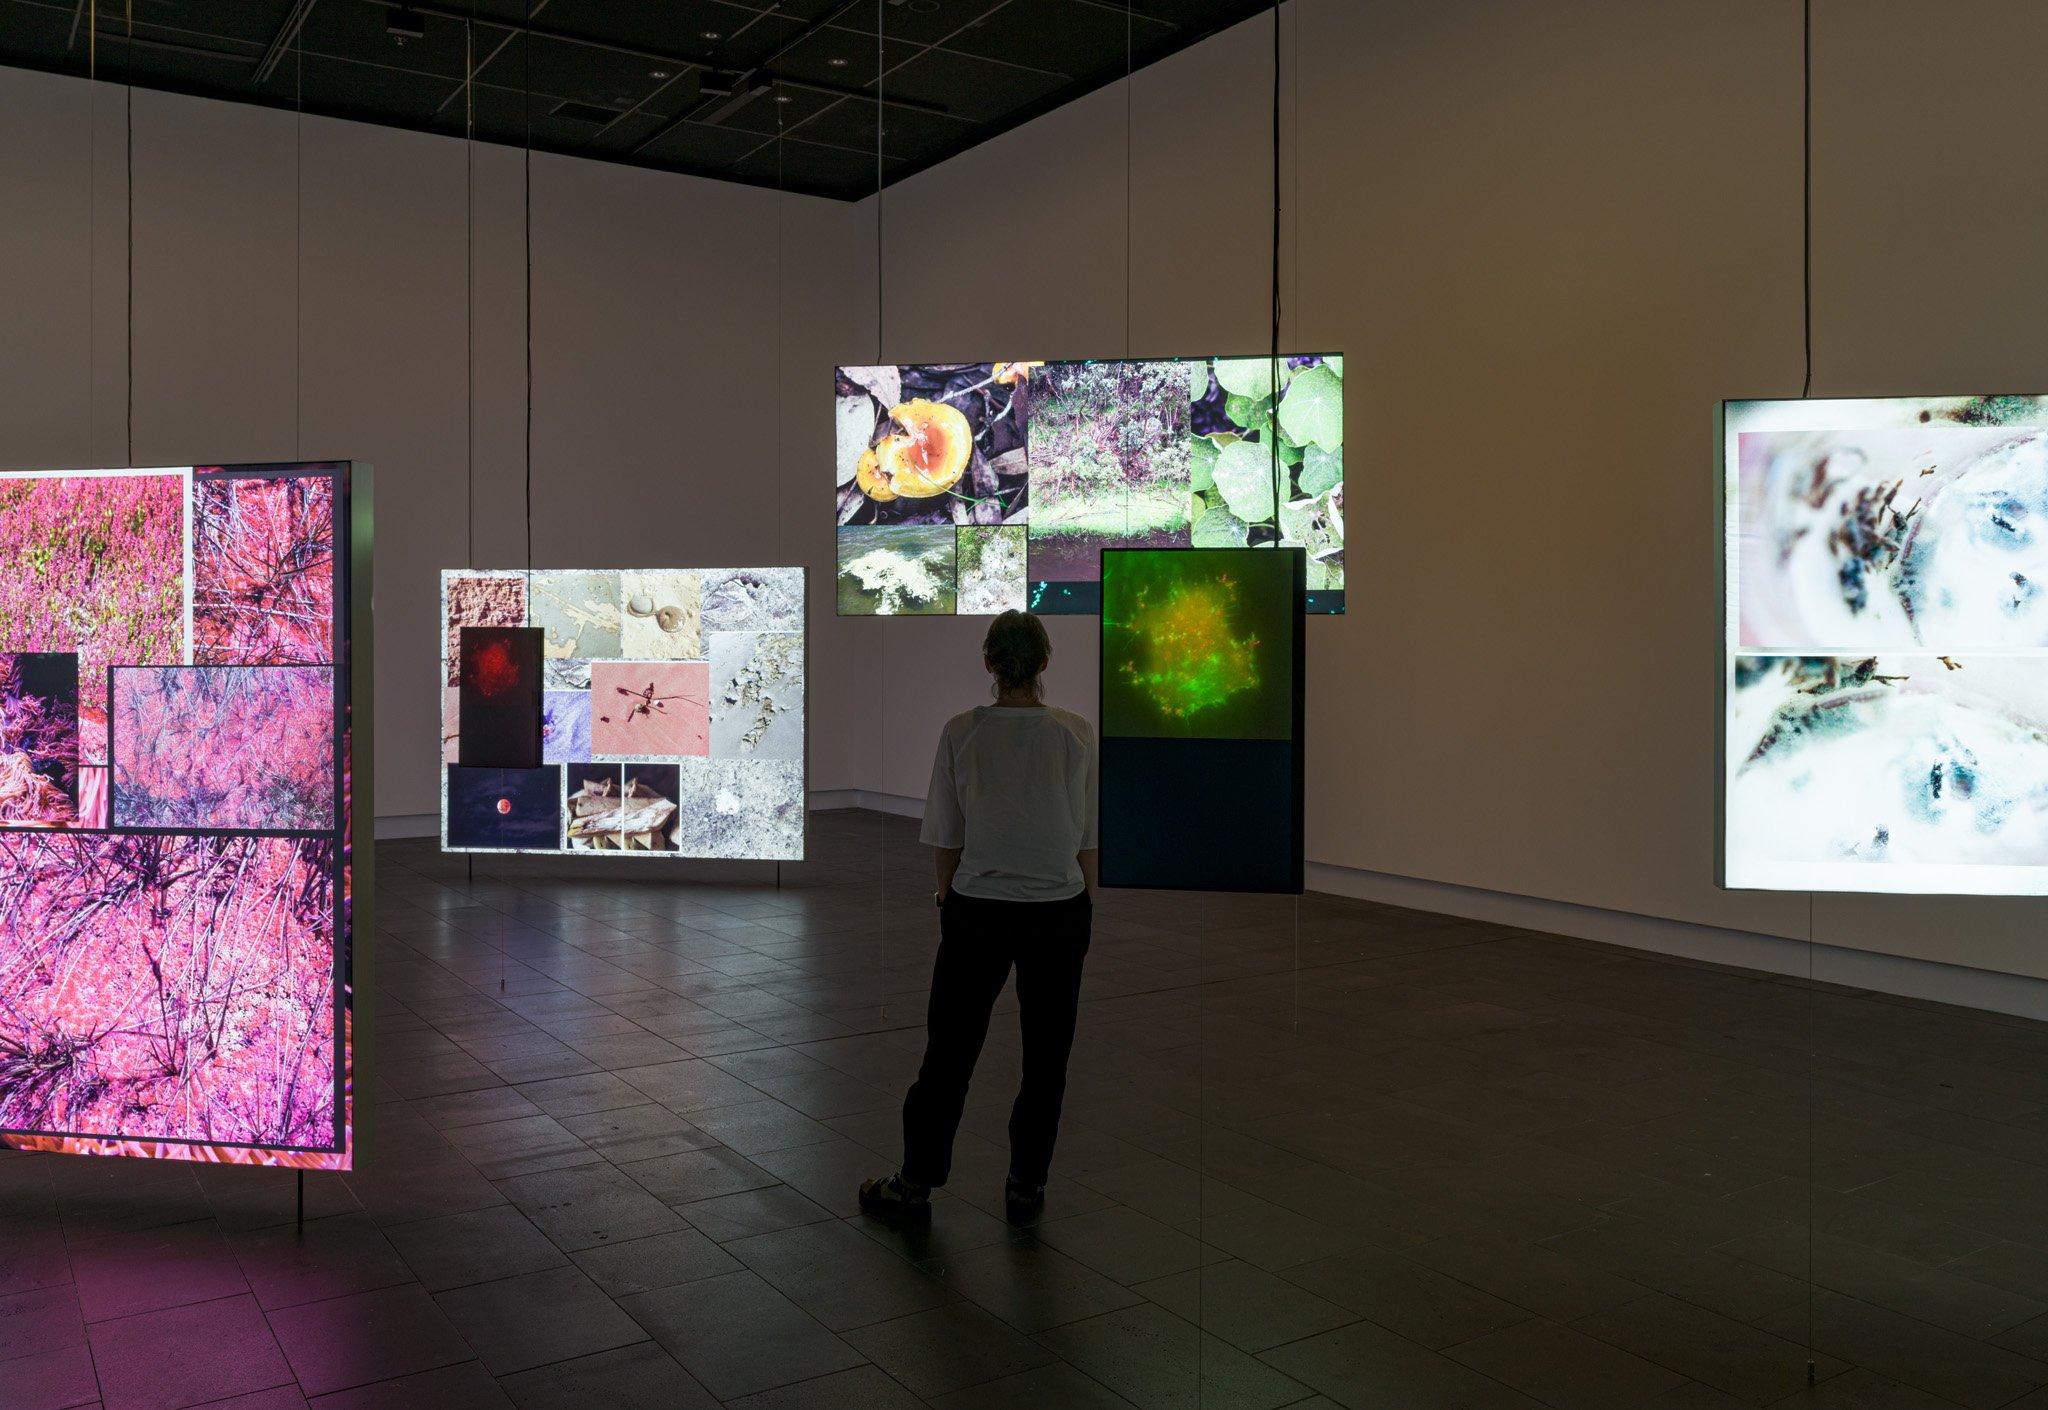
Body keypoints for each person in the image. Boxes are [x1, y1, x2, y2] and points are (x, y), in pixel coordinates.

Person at [860, 610, 1098, 1224]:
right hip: (1058, 910)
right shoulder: (1075, 733)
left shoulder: (961, 732)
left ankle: (914, 1185)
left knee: (950, 1051)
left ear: (989, 665)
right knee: (1048, 1055)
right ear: (1045, 664)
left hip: (978, 912)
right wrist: (1079, 900)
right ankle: (1026, 1183)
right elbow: (1086, 835)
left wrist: (947, 896)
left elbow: (946, 831)